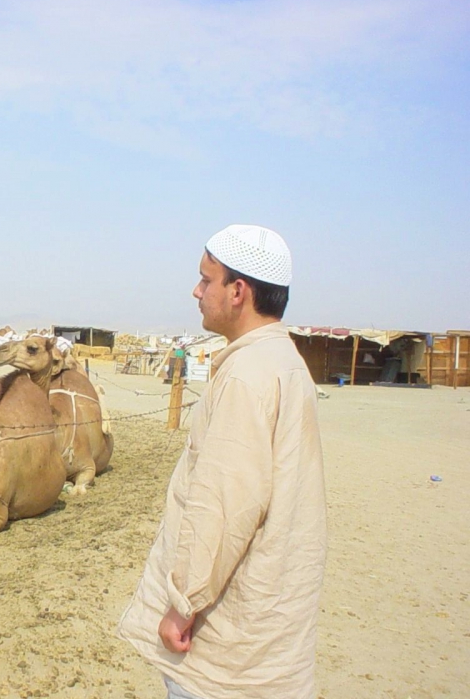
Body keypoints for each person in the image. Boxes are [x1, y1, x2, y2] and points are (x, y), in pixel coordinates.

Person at [117, 225, 327, 699]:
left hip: (225, 650)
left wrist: (182, 604)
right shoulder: (283, 362)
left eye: (205, 279)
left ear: (238, 291)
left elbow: (225, 506)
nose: (196, 291)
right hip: (266, 637)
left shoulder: (248, 375)